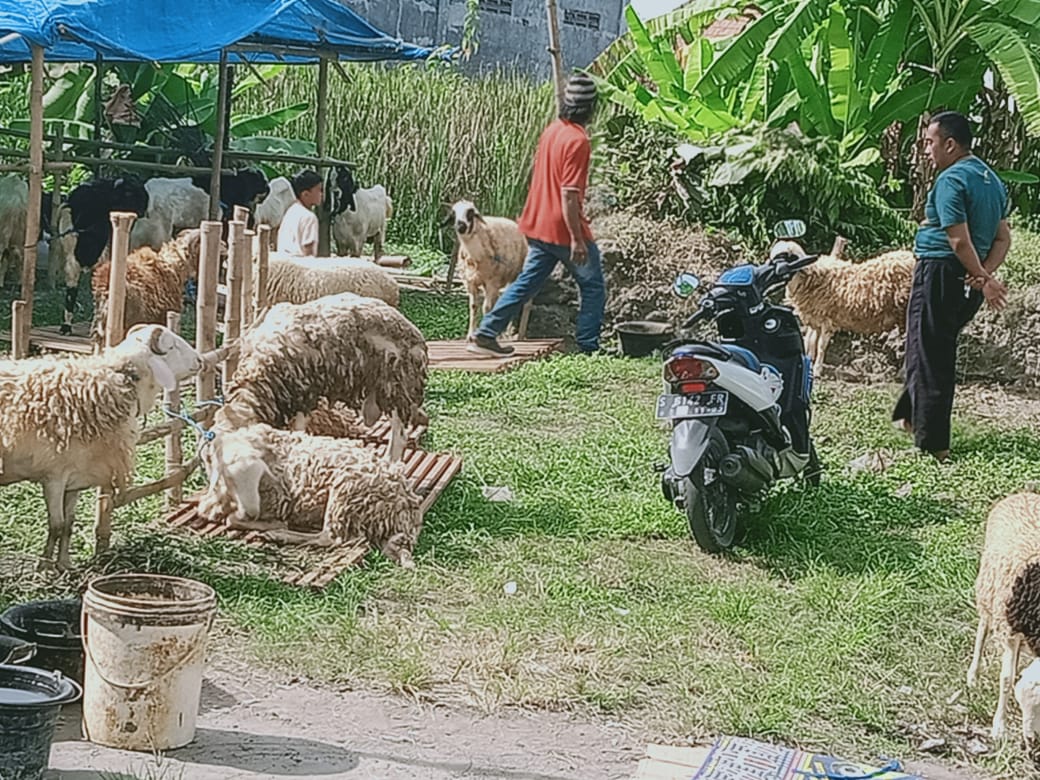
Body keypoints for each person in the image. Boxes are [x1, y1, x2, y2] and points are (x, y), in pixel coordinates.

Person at [892, 110, 1010, 461]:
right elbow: (1002, 238)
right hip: (965, 279)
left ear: (950, 143)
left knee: (930, 356)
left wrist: (984, 278)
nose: (926, 150)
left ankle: (933, 445)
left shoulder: (951, 180)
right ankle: (911, 417)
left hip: (940, 273)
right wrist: (982, 275)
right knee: (927, 348)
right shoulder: (991, 179)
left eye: (930, 142)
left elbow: (957, 240)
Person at [467, 72, 607, 356]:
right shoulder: (578, 140)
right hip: (562, 229)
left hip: (537, 224)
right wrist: (577, 240)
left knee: (526, 282)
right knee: (593, 287)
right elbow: (569, 195)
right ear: (591, 107)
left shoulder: (552, 130)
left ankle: (487, 332)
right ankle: (588, 346)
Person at [277, 169, 323, 257]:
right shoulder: (309, 218)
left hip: (284, 264)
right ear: (305, 194)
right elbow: (308, 251)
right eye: (319, 190)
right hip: (300, 267)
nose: (321, 194)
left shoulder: (290, 211)